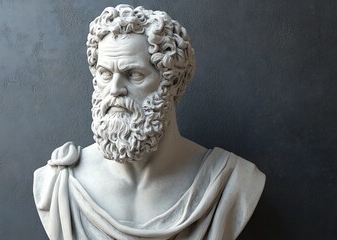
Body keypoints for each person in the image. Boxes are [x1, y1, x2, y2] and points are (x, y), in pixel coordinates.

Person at [33, 5, 265, 240]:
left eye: (134, 75)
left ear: (173, 83)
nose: (114, 90)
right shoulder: (58, 183)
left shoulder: (231, 183)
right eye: (104, 74)